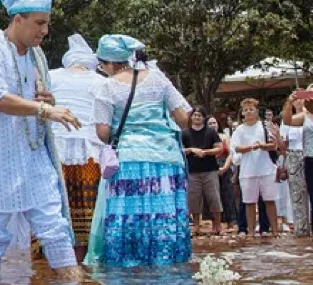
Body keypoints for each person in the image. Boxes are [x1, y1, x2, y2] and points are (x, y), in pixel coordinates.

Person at [0, 0, 82, 281]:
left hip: (31, 157)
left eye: (46, 23)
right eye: (39, 23)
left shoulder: (37, 56)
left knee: (54, 225)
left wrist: (48, 99)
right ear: (18, 19)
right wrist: (45, 109)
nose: (45, 30)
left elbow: (38, 100)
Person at [85, 35, 191, 267]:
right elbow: (183, 118)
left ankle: (129, 271)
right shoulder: (158, 79)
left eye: (102, 65)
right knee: (163, 216)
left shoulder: (108, 88)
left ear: (110, 63)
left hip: (129, 160)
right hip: (166, 159)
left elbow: (103, 133)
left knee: (128, 216)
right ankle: (167, 264)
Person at [48, 34, 108, 261]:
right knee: (87, 210)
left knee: (55, 208)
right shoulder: (101, 81)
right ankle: (83, 260)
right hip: (90, 153)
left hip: (56, 151)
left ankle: (55, 260)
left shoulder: (51, 77)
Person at [232, 98, 280, 237]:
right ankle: (251, 232)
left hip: (266, 169)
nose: (248, 112)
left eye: (251, 109)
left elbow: (273, 145)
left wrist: (262, 146)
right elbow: (237, 147)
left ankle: (274, 231)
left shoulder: (265, 126)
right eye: (246, 110)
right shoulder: (239, 130)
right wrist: (251, 147)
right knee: (249, 202)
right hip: (247, 171)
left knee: (270, 200)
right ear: (242, 113)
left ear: (257, 111)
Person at [182, 108, 224, 237]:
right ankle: (196, 226)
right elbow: (181, 150)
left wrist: (205, 152)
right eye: (194, 115)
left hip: (210, 170)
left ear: (203, 118)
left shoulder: (211, 132)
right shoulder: (185, 133)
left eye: (199, 115)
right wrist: (192, 150)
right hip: (192, 171)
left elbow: (219, 148)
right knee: (194, 200)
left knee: (214, 198)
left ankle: (217, 226)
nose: (196, 117)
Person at [281, 90, 312, 236]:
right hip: (307, 157)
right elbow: (288, 121)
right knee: (303, 194)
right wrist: (289, 101)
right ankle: (303, 229)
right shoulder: (304, 116)